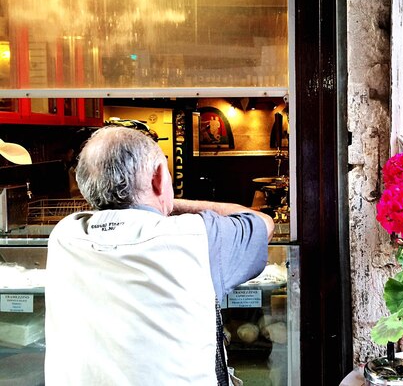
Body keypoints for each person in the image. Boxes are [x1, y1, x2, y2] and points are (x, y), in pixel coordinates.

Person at [44, 126, 274, 385]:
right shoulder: (196, 236)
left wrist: (144, 199)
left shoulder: (64, 234)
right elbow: (263, 222)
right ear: (158, 177)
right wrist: (168, 202)